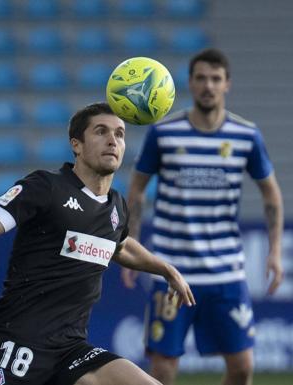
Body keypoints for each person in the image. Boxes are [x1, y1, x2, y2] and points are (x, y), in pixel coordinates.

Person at [0, 102, 196, 385]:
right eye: (101, 131)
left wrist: (166, 270)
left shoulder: (117, 207)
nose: (113, 140)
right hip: (15, 342)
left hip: (71, 350)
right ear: (77, 145)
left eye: (120, 134)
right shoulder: (46, 187)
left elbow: (121, 247)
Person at [121, 48, 284, 385]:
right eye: (201, 78)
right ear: (190, 84)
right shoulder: (164, 133)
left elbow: (271, 194)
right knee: (163, 371)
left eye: (216, 79)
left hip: (225, 271)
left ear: (227, 85)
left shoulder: (246, 135)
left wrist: (276, 251)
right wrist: (132, 244)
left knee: (242, 369)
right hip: (171, 269)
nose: (208, 86)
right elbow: (136, 189)